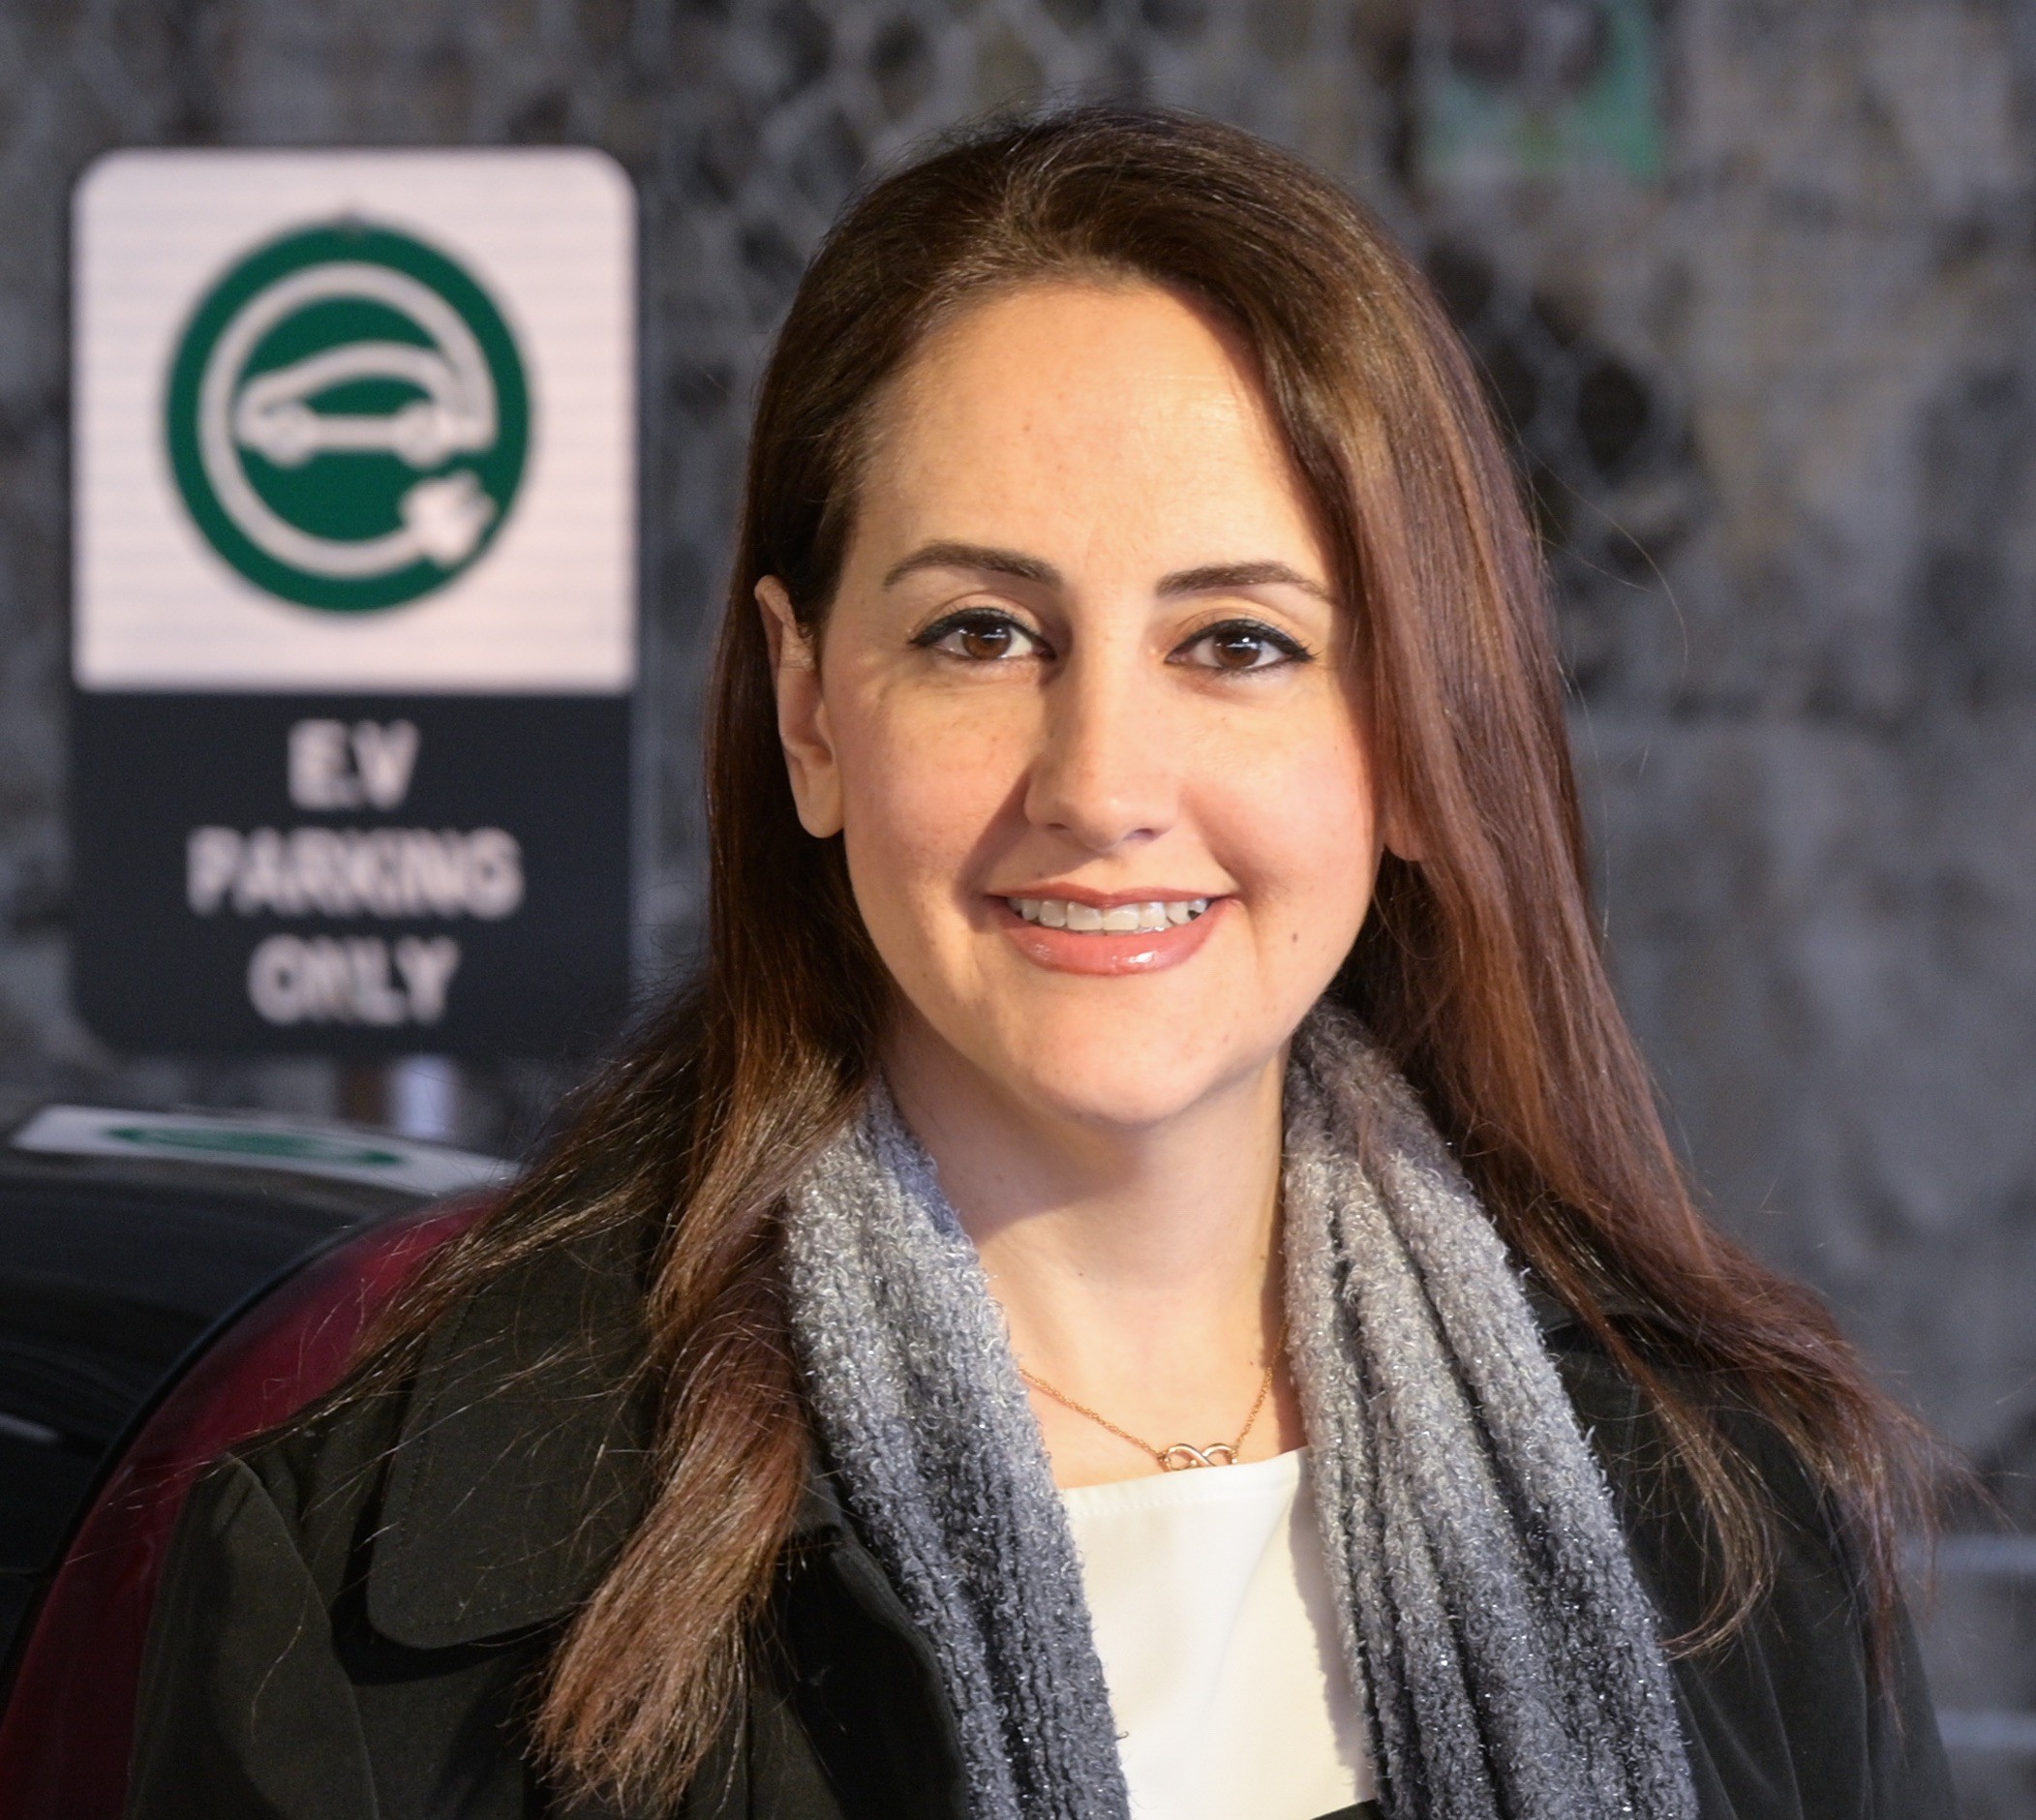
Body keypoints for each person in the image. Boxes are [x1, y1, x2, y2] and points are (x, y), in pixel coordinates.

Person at [128, 107, 1956, 1820]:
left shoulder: (1736, 1521)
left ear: (1416, 738)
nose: (1098, 787)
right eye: (983, 633)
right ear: (808, 710)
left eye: (1239, 643)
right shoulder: (385, 1593)